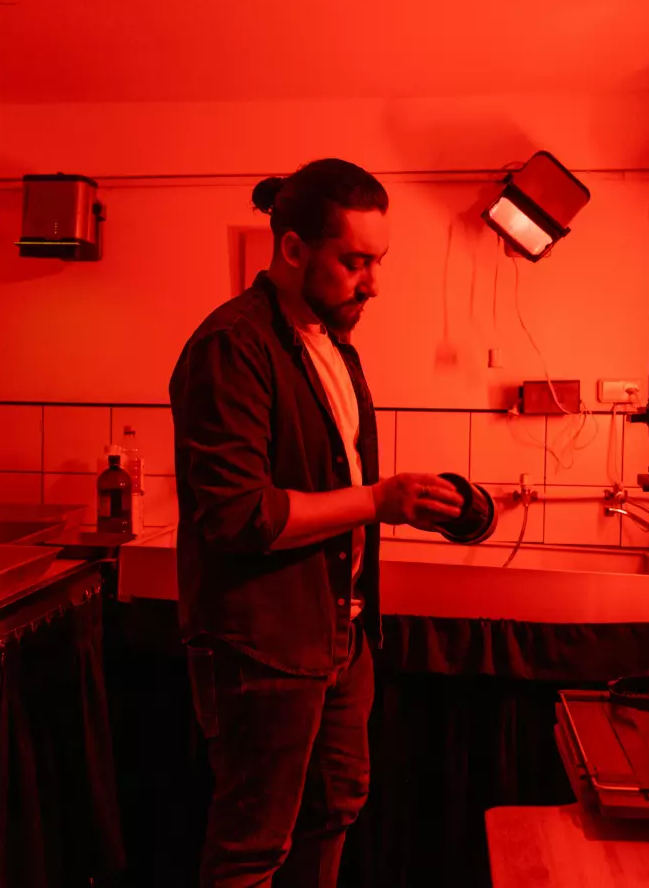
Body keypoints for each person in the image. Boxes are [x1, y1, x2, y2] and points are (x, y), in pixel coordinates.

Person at [169, 158, 496, 888]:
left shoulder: (329, 344)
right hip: (264, 647)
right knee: (252, 851)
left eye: (378, 262)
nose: (373, 282)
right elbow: (238, 514)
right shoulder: (233, 345)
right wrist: (382, 501)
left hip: (339, 638)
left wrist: (423, 501)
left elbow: (329, 486)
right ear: (291, 249)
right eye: (355, 261)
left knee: (335, 808)